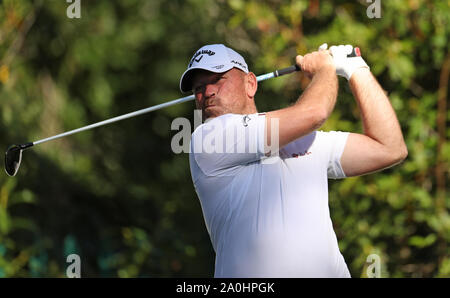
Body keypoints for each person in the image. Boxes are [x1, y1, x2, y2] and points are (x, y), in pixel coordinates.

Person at [179, 43, 407, 277]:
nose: (207, 93)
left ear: (251, 83)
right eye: (198, 87)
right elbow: (315, 113)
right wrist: (325, 69)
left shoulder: (304, 140)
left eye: (217, 79)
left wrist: (356, 69)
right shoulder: (208, 140)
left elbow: (389, 148)